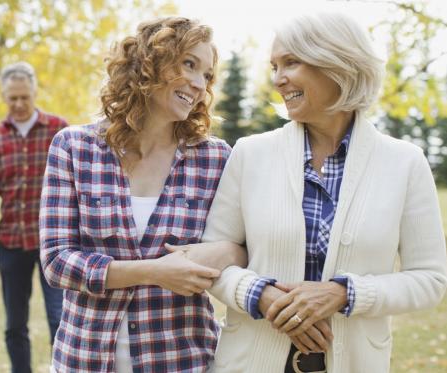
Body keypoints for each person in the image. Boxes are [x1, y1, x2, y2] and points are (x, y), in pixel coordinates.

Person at [178, 12, 447, 373]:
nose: (277, 79)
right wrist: (263, 296)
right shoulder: (250, 153)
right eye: (274, 66)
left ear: (338, 63)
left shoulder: (405, 162)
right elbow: (216, 262)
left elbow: (430, 280)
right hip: (249, 362)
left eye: (291, 62)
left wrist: (343, 294)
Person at [39, 17, 247, 372]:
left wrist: (232, 251)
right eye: (189, 64)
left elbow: (247, 251)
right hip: (85, 359)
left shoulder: (215, 159)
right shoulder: (74, 147)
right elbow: (57, 262)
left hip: (181, 360)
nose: (199, 84)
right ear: (149, 63)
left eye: (207, 75)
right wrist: (153, 271)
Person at [0, 61, 67, 373]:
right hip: (11, 242)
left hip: (55, 243)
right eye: (13, 98)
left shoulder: (58, 129)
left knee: (60, 318)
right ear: (4, 97)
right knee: (15, 324)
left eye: (25, 97)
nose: (20, 104)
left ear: (34, 93)